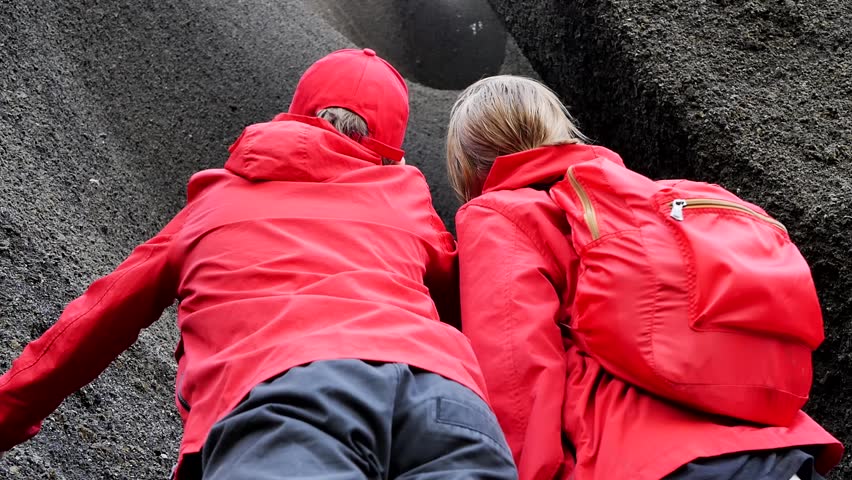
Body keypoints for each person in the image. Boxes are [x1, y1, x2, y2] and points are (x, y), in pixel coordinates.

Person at [0, 49, 517, 480]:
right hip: (451, 406)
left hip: (292, 395)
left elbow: (95, 320)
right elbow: (475, 307)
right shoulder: (409, 203)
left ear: (293, 113)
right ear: (393, 151)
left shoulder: (215, 202)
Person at [446, 74, 843, 480]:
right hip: (780, 452)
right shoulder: (638, 197)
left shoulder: (499, 213)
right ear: (558, 128)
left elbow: (514, 370)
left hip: (648, 459)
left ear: (469, 164)